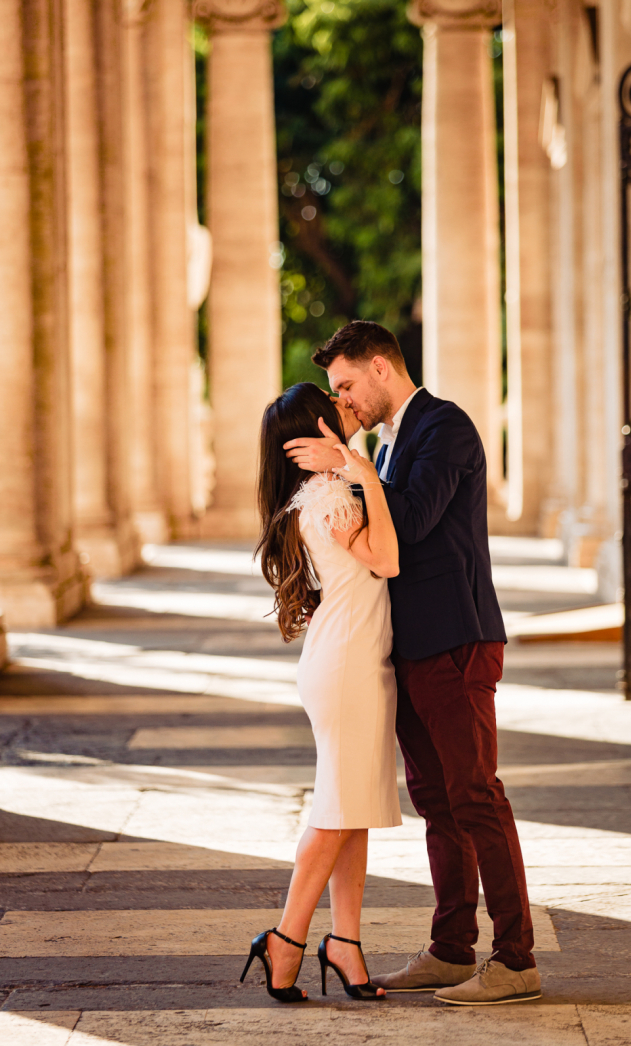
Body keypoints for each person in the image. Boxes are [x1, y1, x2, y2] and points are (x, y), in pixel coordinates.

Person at [283, 321, 541, 1007]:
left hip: (458, 640)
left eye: (346, 386)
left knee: (476, 795)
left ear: (379, 367)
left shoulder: (443, 428)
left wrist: (346, 462)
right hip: (413, 649)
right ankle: (452, 948)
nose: (343, 401)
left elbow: (413, 521)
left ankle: (515, 958)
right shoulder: (389, 444)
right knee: (437, 802)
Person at [241, 381, 402, 1003]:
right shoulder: (335, 493)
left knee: (351, 809)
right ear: (317, 431)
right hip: (347, 665)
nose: (347, 408)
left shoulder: (320, 492)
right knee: (337, 813)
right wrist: (358, 468)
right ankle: (286, 937)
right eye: (334, 406)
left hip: (352, 659)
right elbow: (386, 558)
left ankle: (347, 945)